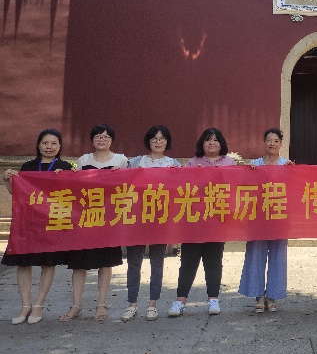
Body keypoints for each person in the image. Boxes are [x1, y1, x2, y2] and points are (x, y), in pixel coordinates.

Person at [2, 128, 73, 325]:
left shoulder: (64, 167)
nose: (49, 147)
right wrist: (8, 180)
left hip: (52, 223)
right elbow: (18, 194)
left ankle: (39, 304)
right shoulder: (29, 166)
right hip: (28, 223)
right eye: (45, 143)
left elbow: (72, 194)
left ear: (59, 146)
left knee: (48, 263)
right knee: (23, 263)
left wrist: (66, 177)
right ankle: (25, 305)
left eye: (54, 143)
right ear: (39, 145)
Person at [59, 124, 128, 323]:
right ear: (92, 140)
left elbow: (129, 187)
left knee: (105, 262)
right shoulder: (84, 160)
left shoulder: (121, 160)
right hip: (85, 218)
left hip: (108, 219)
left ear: (112, 140)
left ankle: (101, 304)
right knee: (79, 263)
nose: (101, 139)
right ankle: (76, 305)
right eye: (98, 136)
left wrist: (122, 174)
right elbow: (75, 186)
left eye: (106, 136)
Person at [168, 128, 236, 318]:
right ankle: (180, 300)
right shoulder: (193, 162)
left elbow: (237, 186)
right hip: (194, 220)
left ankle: (213, 299)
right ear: (202, 143)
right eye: (207, 140)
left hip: (217, 219)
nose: (211, 143)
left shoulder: (230, 163)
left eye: (215, 140)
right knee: (188, 260)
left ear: (221, 143)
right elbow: (181, 186)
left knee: (214, 261)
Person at [122, 125, 182, 322]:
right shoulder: (135, 162)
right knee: (134, 262)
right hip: (137, 218)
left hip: (160, 218)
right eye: (154, 138)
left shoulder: (173, 164)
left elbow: (182, 187)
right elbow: (121, 183)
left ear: (167, 142)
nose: (158, 142)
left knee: (157, 261)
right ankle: (132, 304)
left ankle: (152, 304)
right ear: (148, 141)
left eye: (162, 138)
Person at [239, 128, 294, 313]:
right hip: (258, 216)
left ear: (281, 144)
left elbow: (294, 188)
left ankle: (272, 295)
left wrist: (293, 173)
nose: (272, 144)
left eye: (276, 141)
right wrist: (248, 172)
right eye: (269, 140)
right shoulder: (255, 164)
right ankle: (258, 295)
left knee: (278, 255)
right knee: (256, 253)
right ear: (264, 143)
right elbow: (244, 186)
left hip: (279, 216)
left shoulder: (287, 165)